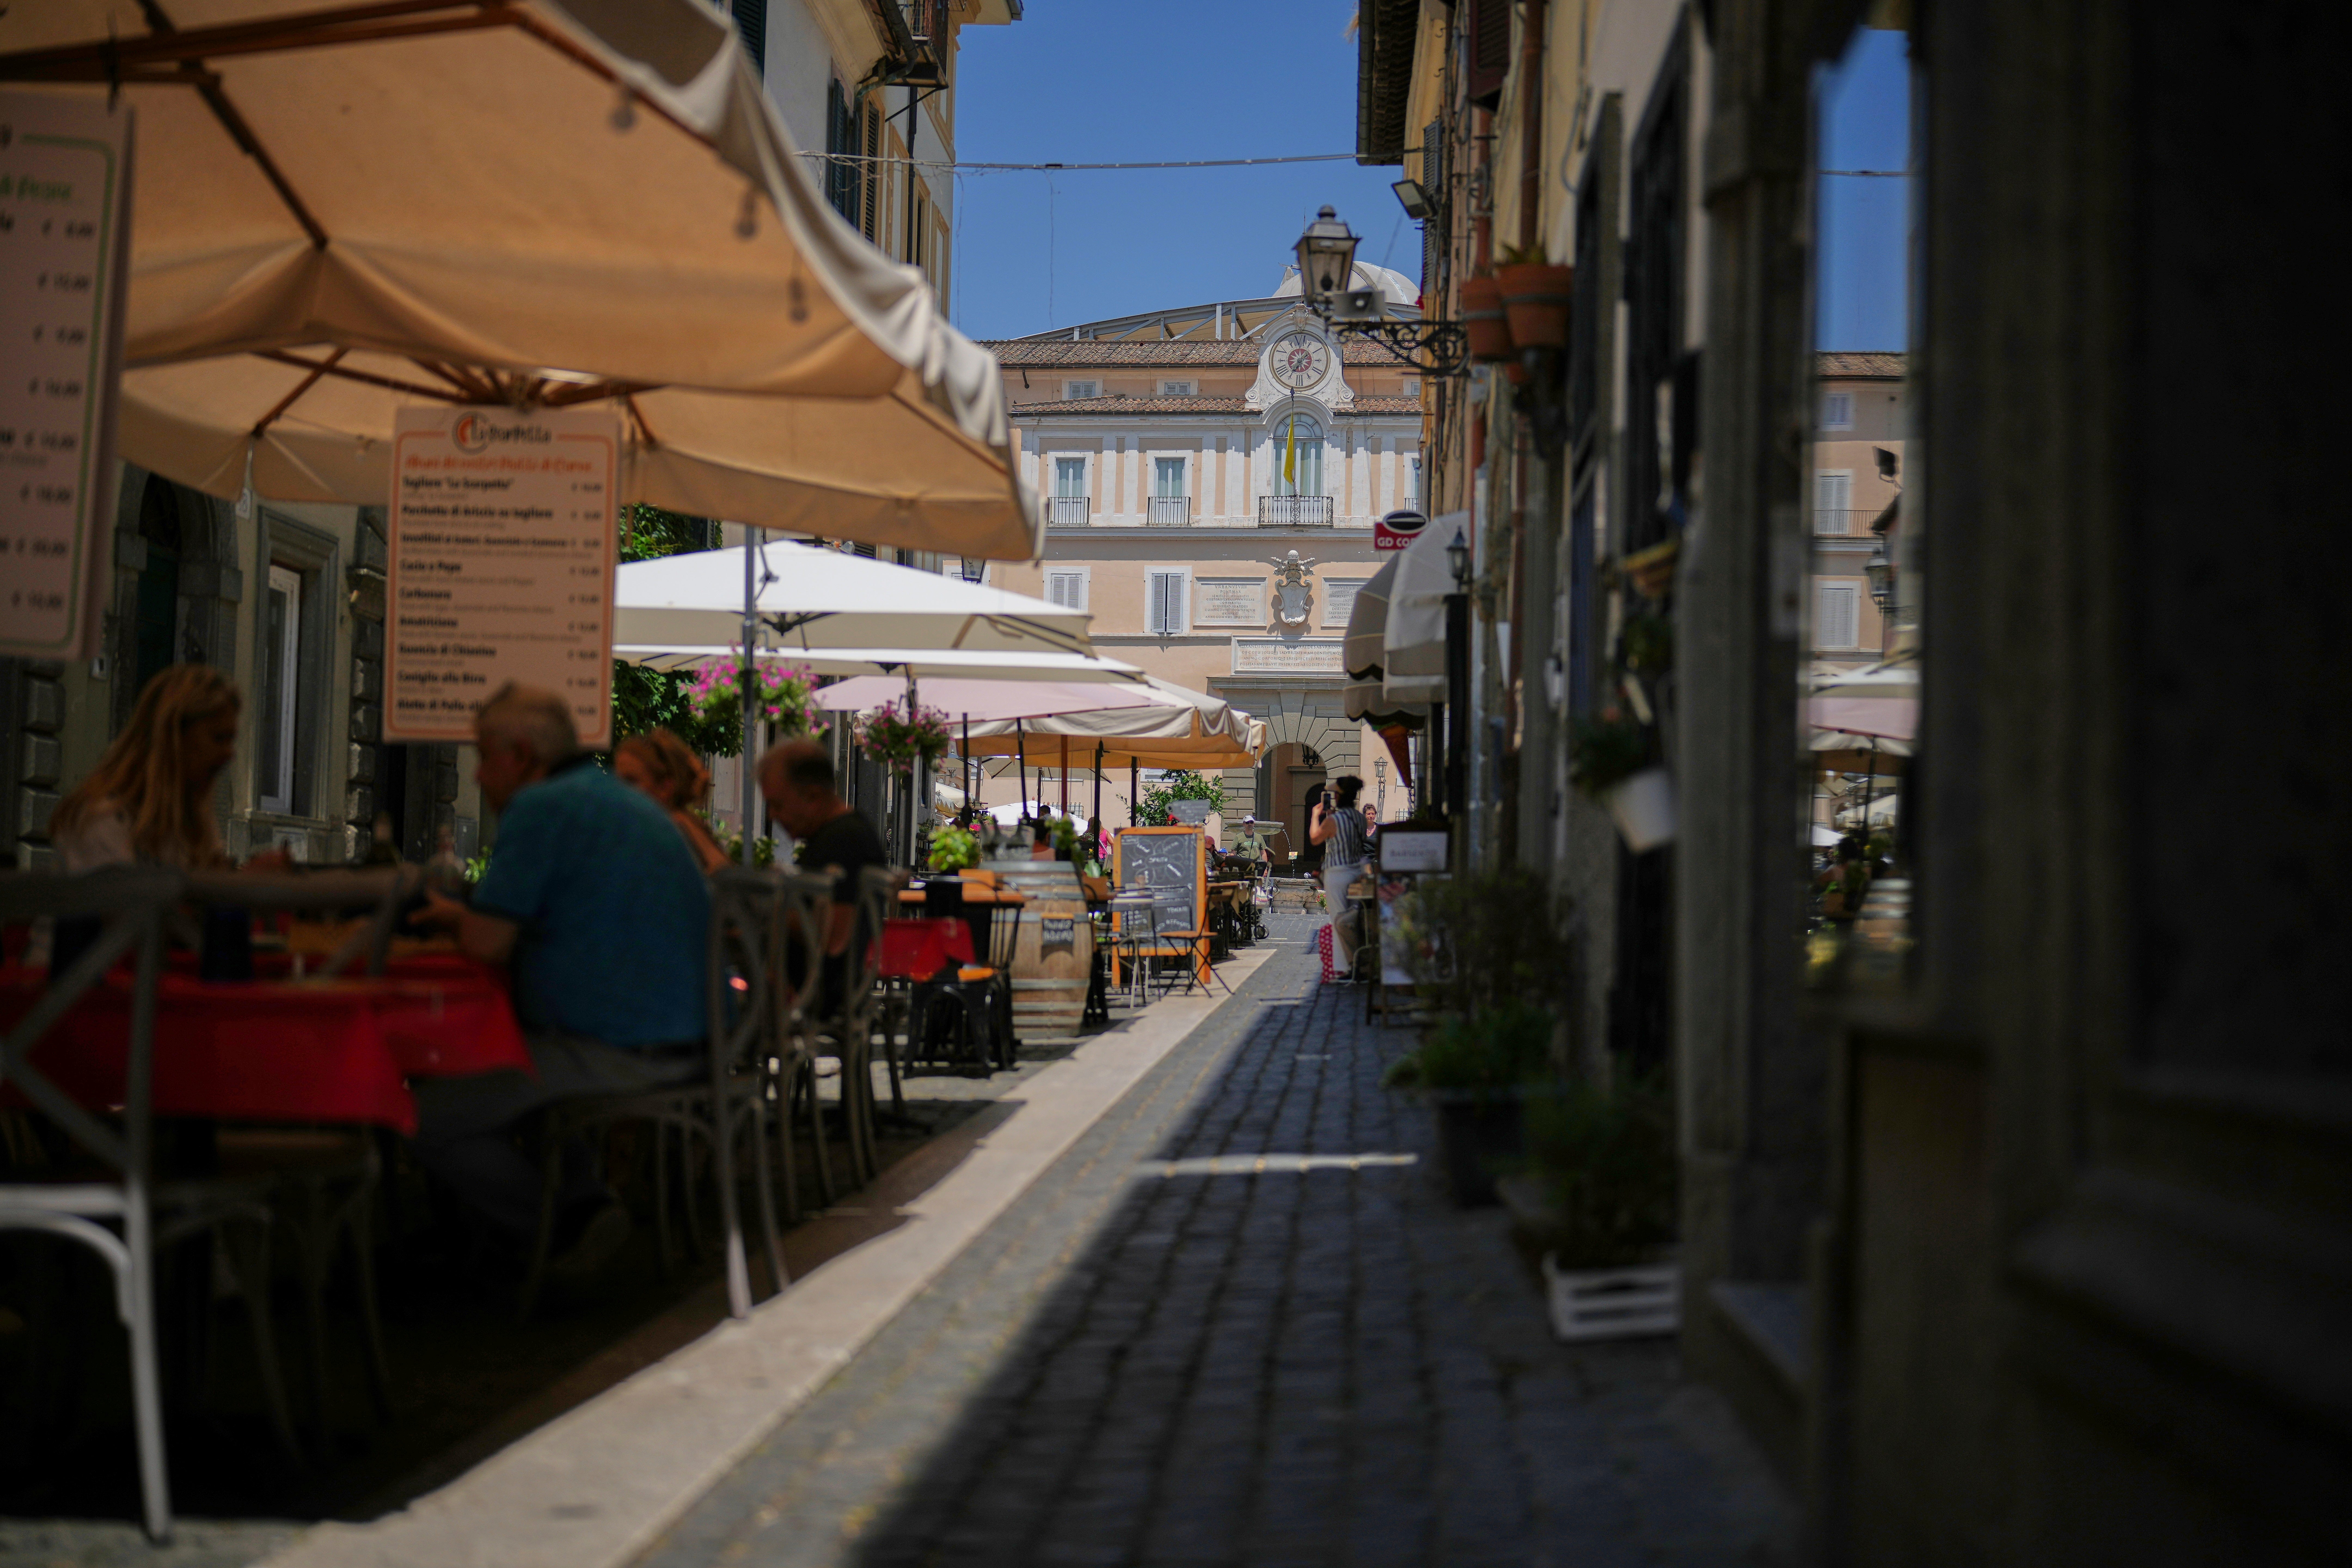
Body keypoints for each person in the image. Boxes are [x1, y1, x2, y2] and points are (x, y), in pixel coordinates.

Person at [413, 685, 710, 1282]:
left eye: (482, 756)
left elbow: (485, 943)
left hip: (623, 1047)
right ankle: (578, 1203)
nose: (477, 776)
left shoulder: (542, 807)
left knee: (422, 1116)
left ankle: (563, 1226)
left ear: (519, 755)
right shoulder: (613, 800)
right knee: (512, 1080)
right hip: (689, 1033)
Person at [51, 664, 270, 873]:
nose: (229, 754)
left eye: (231, 739)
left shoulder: (191, 819)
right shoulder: (101, 818)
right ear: (173, 739)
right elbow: (132, 906)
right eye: (219, 738)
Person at [759, 738, 886, 1015]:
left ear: (814, 797)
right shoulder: (841, 835)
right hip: (817, 988)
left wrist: (766, 910)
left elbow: (833, 937)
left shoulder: (844, 841)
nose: (773, 816)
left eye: (778, 805)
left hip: (812, 993)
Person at [614, 729, 730, 873]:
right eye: (616, 780)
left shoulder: (664, 836)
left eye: (630, 781)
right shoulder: (687, 824)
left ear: (665, 788)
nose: (618, 790)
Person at [1309, 775, 1372, 979]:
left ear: (1338, 796)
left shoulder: (1332, 820)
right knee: (1355, 919)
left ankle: (1346, 966)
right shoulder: (1360, 818)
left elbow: (1315, 839)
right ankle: (1359, 963)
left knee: (1338, 920)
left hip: (1338, 874)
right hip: (1358, 873)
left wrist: (1314, 815)